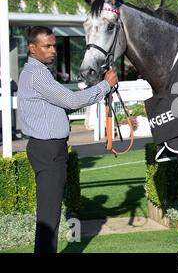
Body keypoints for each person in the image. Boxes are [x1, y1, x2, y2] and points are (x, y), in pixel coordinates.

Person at [17, 26, 118, 253]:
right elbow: (71, 101)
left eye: (54, 45)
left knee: (49, 216)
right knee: (48, 218)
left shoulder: (35, 72)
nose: (53, 50)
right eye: (47, 46)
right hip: (48, 150)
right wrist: (105, 85)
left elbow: (57, 107)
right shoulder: (37, 74)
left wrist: (97, 91)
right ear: (32, 48)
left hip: (47, 148)